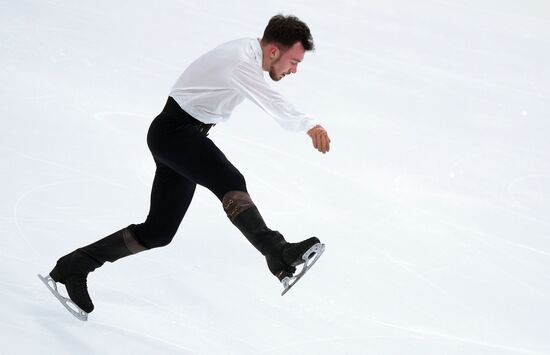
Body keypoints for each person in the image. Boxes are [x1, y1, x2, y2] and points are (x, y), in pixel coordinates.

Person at [45, 14, 331, 315]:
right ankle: (277, 251)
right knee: (229, 180)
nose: (294, 70)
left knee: (158, 231)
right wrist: (309, 125)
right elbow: (271, 101)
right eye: (294, 61)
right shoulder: (241, 62)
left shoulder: (246, 56)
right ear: (274, 51)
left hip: (177, 136)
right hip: (175, 134)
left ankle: (75, 265)